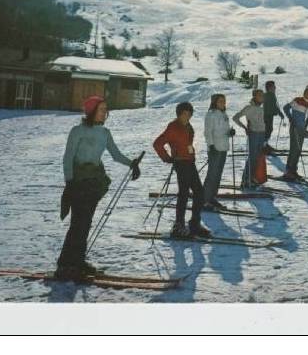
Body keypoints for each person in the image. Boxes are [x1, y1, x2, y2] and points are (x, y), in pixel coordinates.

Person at [56, 96, 141, 279]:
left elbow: (115, 155)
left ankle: (77, 261)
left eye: (106, 109)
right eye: (101, 109)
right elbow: (68, 157)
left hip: (94, 182)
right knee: (78, 223)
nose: (105, 113)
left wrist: (131, 164)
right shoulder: (77, 131)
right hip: (78, 181)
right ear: (91, 111)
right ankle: (65, 264)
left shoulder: (105, 133)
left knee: (85, 223)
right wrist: (69, 182)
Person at [153, 102, 211, 238]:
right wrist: (167, 158)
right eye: (185, 114)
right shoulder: (173, 127)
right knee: (184, 193)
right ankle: (179, 225)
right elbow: (157, 143)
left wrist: (191, 154)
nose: (187, 116)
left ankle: (194, 223)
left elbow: (188, 144)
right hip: (180, 163)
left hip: (190, 162)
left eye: (189, 114)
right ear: (179, 114)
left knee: (199, 192)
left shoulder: (188, 126)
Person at [203, 94, 235, 210]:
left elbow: (223, 131)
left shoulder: (224, 114)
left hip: (223, 147)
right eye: (220, 101)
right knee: (212, 175)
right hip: (215, 148)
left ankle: (212, 197)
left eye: (224, 101)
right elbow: (207, 132)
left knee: (218, 174)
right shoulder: (211, 115)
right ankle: (204, 199)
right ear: (215, 103)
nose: (223, 103)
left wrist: (230, 132)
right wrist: (211, 145)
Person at [232, 89, 266, 188]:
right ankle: (245, 180)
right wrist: (245, 127)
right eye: (259, 95)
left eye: (262, 95)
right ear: (254, 96)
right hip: (254, 134)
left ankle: (252, 178)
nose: (261, 97)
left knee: (258, 157)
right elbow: (235, 117)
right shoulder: (249, 108)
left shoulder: (262, 108)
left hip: (262, 134)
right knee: (252, 157)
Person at [282, 87, 308, 181]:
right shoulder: (298, 100)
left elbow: (302, 118)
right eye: (307, 93)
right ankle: (289, 171)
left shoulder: (307, 103)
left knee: (298, 149)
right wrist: (290, 118)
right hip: (295, 128)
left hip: (301, 129)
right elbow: (286, 108)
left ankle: (293, 170)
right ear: (304, 92)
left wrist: (304, 128)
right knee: (294, 149)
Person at [263, 80, 285, 144]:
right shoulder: (271, 95)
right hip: (268, 115)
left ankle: (264, 144)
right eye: (273, 86)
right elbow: (274, 106)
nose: (275, 88)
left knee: (267, 130)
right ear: (270, 88)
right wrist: (280, 113)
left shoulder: (266, 95)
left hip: (266, 115)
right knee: (269, 130)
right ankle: (263, 145)